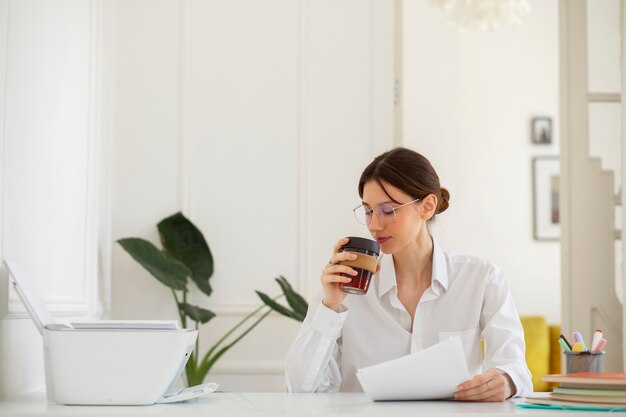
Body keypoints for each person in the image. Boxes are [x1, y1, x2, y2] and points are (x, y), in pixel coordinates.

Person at [285, 147, 532, 401]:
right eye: (368, 211)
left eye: (387, 210)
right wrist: (329, 306)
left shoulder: (482, 279)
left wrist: (505, 381)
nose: (374, 225)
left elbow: (516, 369)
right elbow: (300, 388)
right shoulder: (348, 285)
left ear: (427, 206)